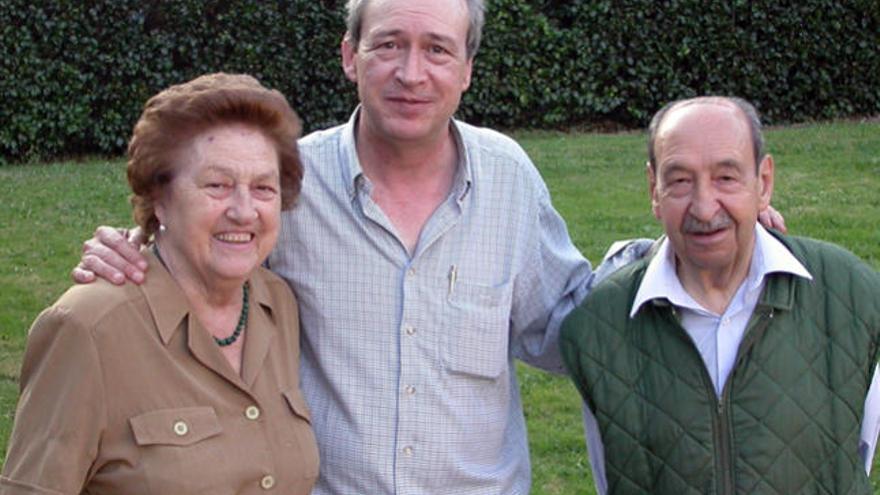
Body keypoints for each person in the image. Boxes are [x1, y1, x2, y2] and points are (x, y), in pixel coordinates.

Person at [69, 2, 784, 494]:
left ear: (467, 68)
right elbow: (205, 256)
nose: (412, 73)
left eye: (437, 49)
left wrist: (691, 252)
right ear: (350, 56)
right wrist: (133, 248)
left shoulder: (506, 178)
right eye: (389, 45)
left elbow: (570, 324)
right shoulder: (291, 185)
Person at [0, 73, 319, 494]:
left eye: (263, 188)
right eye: (217, 185)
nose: (244, 211)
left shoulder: (276, 303)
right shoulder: (88, 329)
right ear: (159, 196)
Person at [560, 96, 880, 494]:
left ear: (763, 183)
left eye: (726, 178)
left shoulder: (849, 297)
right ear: (653, 190)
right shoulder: (600, 328)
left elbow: (853, 461)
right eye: (679, 180)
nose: (704, 206)